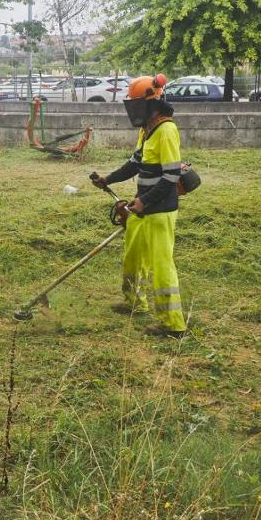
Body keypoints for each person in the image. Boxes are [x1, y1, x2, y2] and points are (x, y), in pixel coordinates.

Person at [91, 73, 188, 337]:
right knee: (133, 258)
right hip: (142, 208)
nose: (132, 111)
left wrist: (144, 201)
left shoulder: (167, 130)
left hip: (160, 211)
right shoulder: (147, 130)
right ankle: (134, 302)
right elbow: (135, 164)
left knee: (162, 266)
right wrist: (107, 179)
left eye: (135, 105)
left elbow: (171, 176)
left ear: (151, 103)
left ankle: (173, 324)